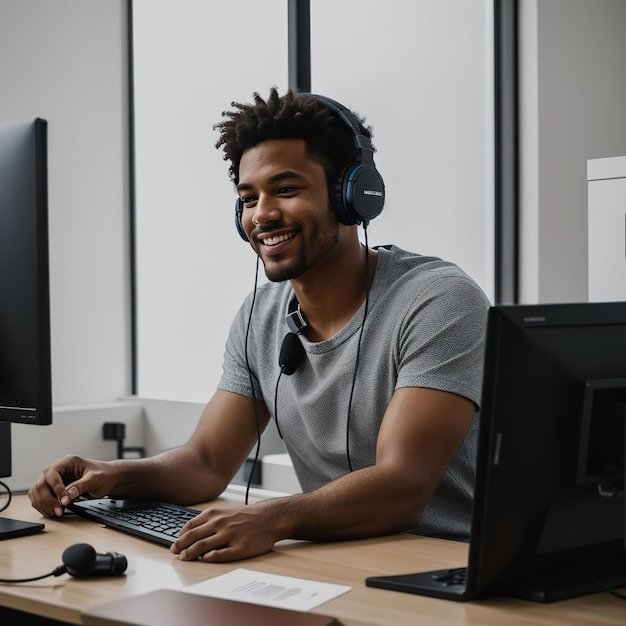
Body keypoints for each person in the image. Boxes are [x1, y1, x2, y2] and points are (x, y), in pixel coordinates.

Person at [29, 88, 490, 563]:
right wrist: (109, 474)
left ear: (351, 195)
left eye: (286, 190)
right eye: (248, 199)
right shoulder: (261, 315)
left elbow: (403, 484)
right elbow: (206, 463)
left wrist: (274, 517)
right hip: (335, 563)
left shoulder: (438, 301)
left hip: (445, 572)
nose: (262, 215)